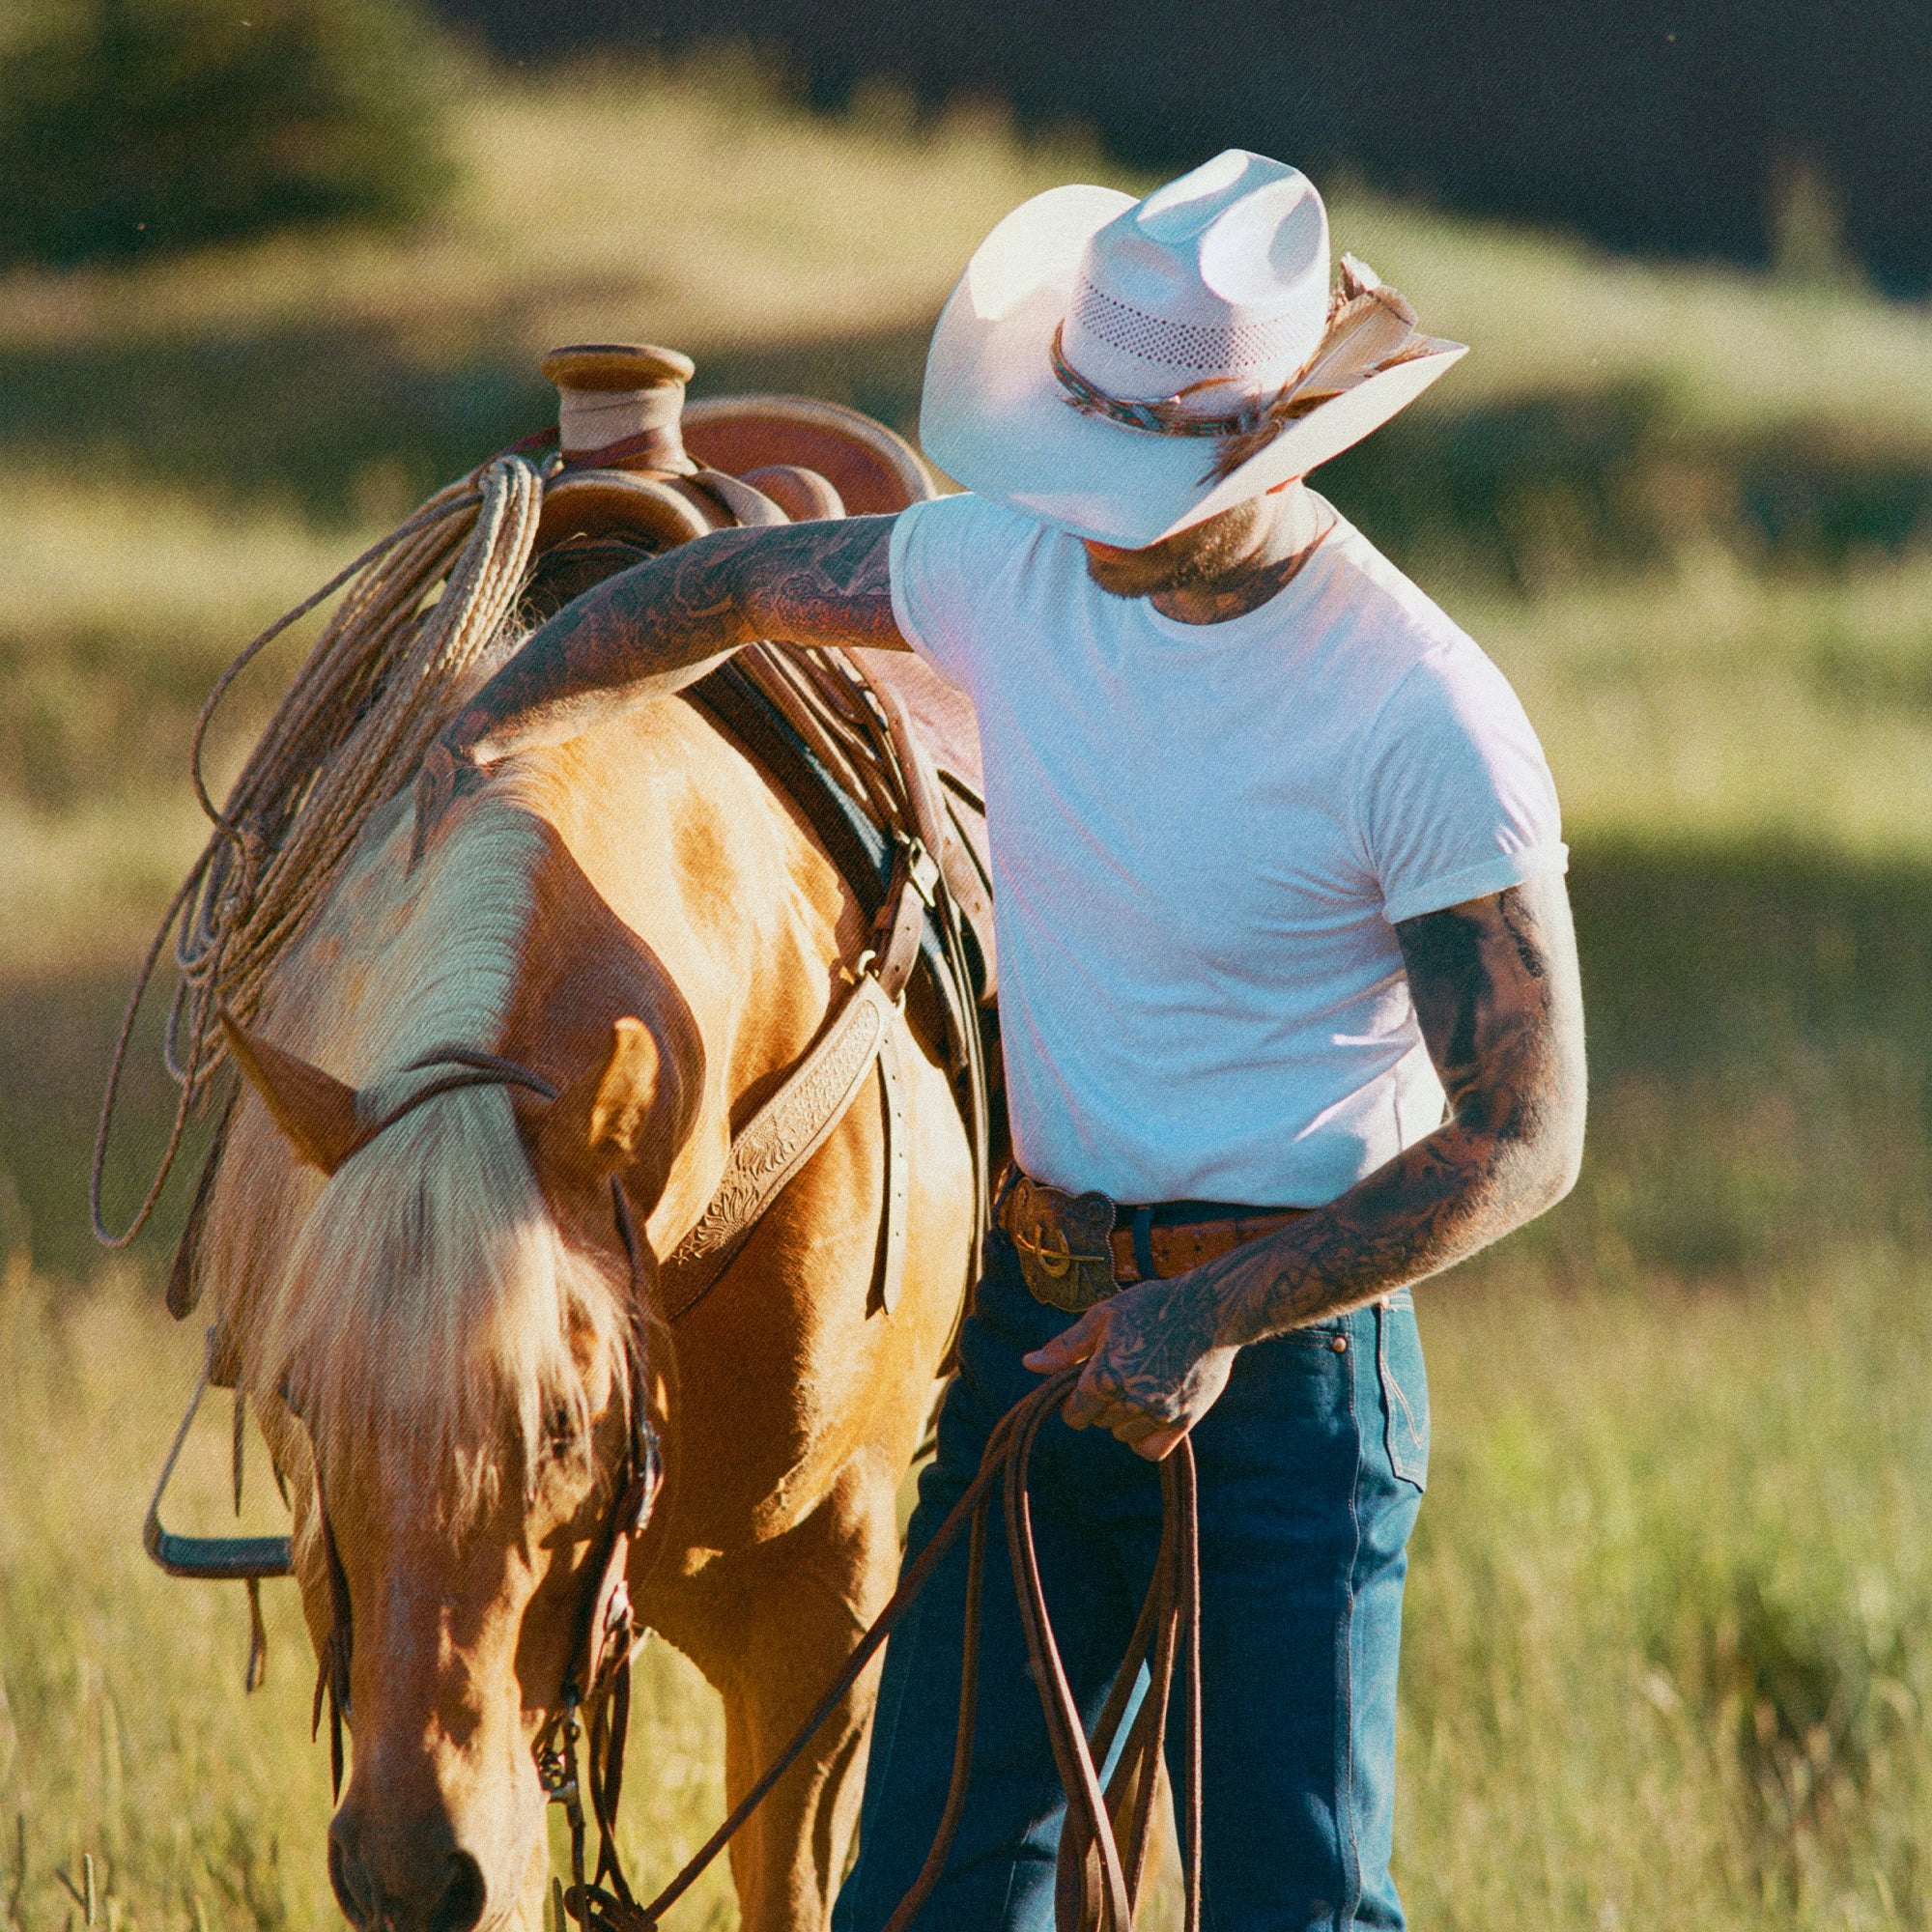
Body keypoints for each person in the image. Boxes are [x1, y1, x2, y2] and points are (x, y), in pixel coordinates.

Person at [427, 150, 1586, 1931]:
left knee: (1290, 1905)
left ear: (1270, 450)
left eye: (1144, 480)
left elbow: (1524, 1137)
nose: (1094, 514)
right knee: (933, 1894)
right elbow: (725, 589)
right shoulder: (1010, 567)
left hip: (1289, 1372)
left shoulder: (1417, 714)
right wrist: (482, 735)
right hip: (1037, 1326)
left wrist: (1212, 1314)